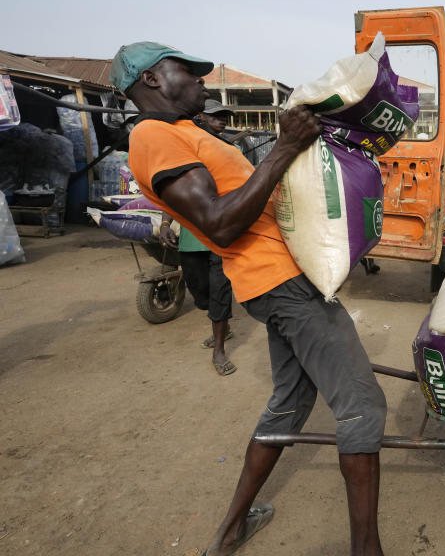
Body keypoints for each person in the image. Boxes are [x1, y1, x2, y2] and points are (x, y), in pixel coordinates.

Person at [110, 41, 387, 556]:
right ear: (150, 80)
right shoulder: (151, 136)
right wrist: (283, 149)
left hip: (274, 280)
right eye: (186, 73)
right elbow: (219, 221)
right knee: (362, 407)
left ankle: (231, 531)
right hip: (281, 282)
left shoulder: (187, 131)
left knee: (290, 404)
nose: (200, 81)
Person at [158, 99, 239, 376]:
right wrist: (165, 223)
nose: (223, 121)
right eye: (217, 117)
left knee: (219, 289)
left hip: (220, 232)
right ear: (201, 117)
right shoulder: (183, 148)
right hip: (192, 233)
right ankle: (222, 325)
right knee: (200, 290)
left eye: (225, 117)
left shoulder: (231, 149)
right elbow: (171, 190)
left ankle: (219, 348)